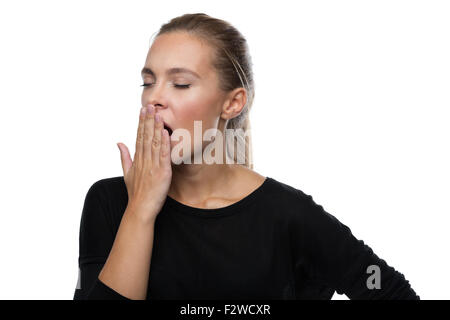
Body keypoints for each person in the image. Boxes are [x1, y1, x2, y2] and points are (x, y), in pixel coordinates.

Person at [73, 13, 420, 300]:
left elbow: (386, 288)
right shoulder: (110, 202)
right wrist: (140, 210)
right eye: (148, 82)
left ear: (232, 103)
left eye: (180, 83)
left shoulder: (289, 216)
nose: (155, 98)